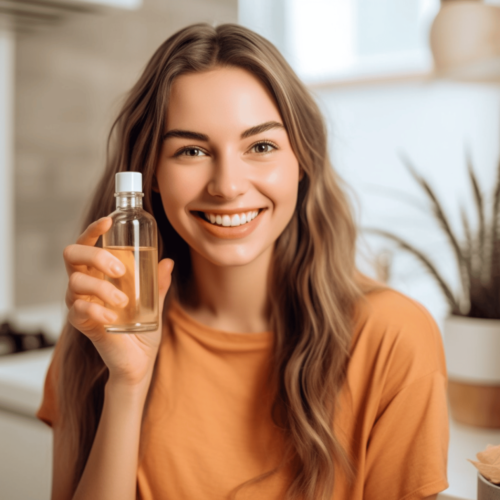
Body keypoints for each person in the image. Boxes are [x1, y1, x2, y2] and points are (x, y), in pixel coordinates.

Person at [37, 23, 449, 500]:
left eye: (261, 147)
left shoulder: (392, 337)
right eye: (191, 150)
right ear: (149, 174)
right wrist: (127, 382)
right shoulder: (101, 329)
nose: (227, 185)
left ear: (303, 161)